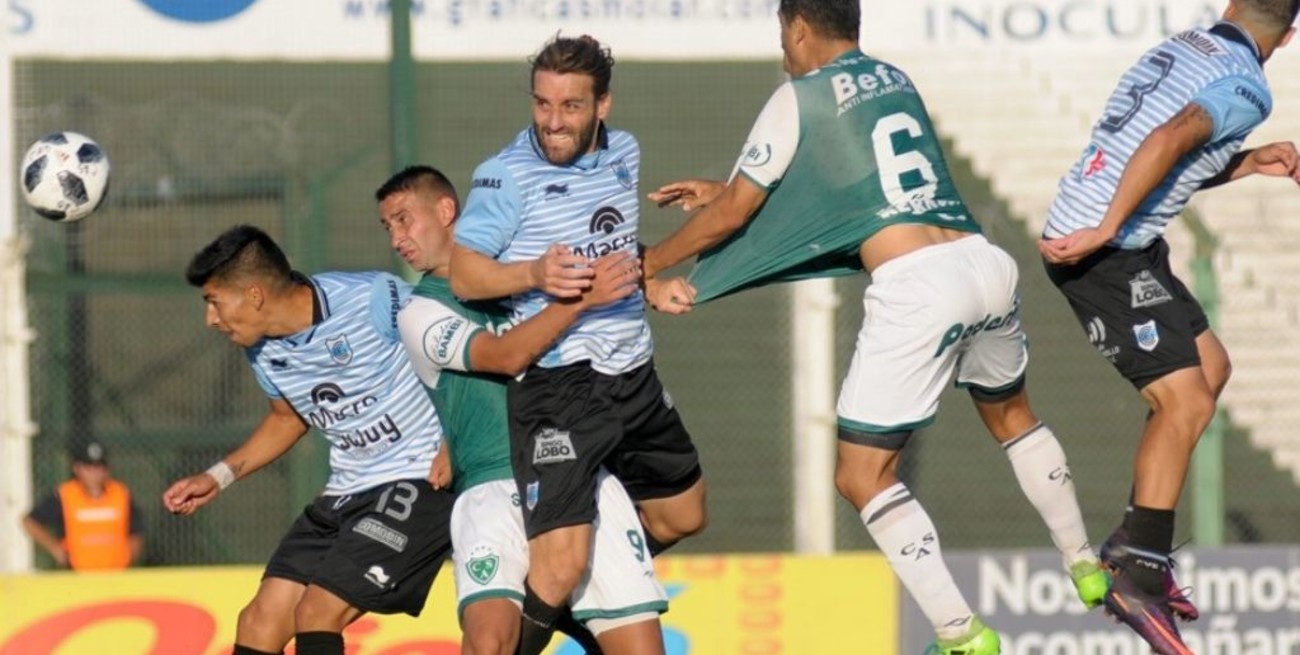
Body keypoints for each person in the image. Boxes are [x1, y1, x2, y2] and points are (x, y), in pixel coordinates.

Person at [638, 2, 1109, 653]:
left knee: (861, 476)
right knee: (1013, 418)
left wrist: (649, 262)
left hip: (918, 286)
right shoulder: (895, 78)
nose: (783, 51)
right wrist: (722, 189)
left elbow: (738, 217)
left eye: (783, 36)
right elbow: (858, 186)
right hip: (984, 264)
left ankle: (961, 633)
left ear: (798, 28)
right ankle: (1084, 561)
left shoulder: (797, 95)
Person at [1039, 1, 1300, 651]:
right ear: (1289, 36)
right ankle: (1137, 573)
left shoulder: (1186, 46)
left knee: (1210, 369)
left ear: (1230, 6)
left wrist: (1251, 160)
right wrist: (1106, 226)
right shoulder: (1247, 83)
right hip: (1101, 248)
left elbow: (1170, 152)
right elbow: (1168, 141)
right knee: (1181, 399)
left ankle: (1134, 541)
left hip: (1126, 239)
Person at [449, 35, 707, 655]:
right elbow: (465, 274)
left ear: (602, 106)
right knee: (560, 566)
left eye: (569, 106)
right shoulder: (505, 175)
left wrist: (651, 283)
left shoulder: (625, 154)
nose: (552, 121)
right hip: (560, 387)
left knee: (684, 514)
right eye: (542, 104)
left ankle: (568, 594)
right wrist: (533, 275)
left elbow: (617, 251)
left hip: (634, 375)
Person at [378, 165, 668, 655]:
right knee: (490, 642)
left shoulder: (525, 270)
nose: (397, 238)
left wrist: (652, 282)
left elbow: (616, 259)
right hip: (495, 486)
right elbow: (507, 356)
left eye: (404, 219)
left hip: (579, 477)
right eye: (388, 227)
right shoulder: (419, 312)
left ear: (447, 211)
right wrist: (581, 300)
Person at [162, 225, 455, 655]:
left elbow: (454, 353)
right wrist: (218, 477)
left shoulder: (373, 297)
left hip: (417, 478)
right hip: (345, 490)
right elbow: (287, 419)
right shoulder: (261, 349)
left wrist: (455, 438)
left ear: (255, 296)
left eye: (214, 302)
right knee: (259, 621)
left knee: (317, 612)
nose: (211, 319)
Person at [22, 440, 145, 571]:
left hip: (116, 572)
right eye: (88, 467)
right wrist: (55, 549)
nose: (94, 473)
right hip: (77, 574)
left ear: (107, 470)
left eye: (99, 467)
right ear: (77, 469)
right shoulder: (65, 495)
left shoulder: (121, 494)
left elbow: (136, 531)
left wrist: (130, 557)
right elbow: (30, 521)